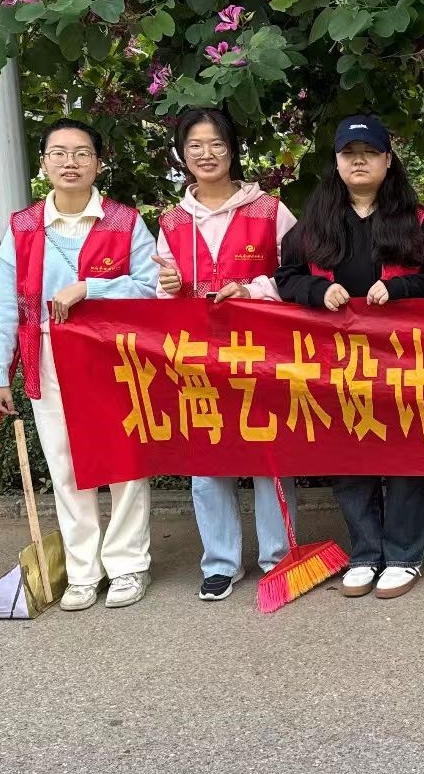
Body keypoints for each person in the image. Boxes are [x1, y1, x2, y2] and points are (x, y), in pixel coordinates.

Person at [276, 114, 424, 600]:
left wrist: (401, 288)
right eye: (349, 154)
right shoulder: (314, 224)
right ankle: (364, 551)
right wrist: (318, 291)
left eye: (369, 153)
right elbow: (287, 277)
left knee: (404, 454)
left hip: (402, 364)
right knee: (348, 454)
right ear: (337, 162)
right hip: (336, 363)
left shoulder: (417, 221)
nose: (359, 162)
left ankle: (404, 553)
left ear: (387, 160)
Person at [0, 119, 159, 611]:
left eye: (82, 153)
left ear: (98, 163)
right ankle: (83, 570)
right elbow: (5, 305)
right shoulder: (23, 227)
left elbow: (151, 289)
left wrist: (91, 288)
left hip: (115, 355)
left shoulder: (125, 222)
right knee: (64, 462)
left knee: (124, 457)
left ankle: (128, 564)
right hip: (47, 354)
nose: (70, 162)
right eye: (59, 153)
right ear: (43, 163)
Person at [153, 108, 300, 602]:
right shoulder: (172, 222)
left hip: (264, 352)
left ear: (232, 148)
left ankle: (279, 557)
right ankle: (220, 562)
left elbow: (299, 275)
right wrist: (170, 286)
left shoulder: (270, 210)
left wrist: (253, 289)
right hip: (198, 357)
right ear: (182, 154)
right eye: (195, 145)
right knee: (208, 457)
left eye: (216, 143)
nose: (206, 154)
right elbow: (161, 299)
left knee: (269, 456)